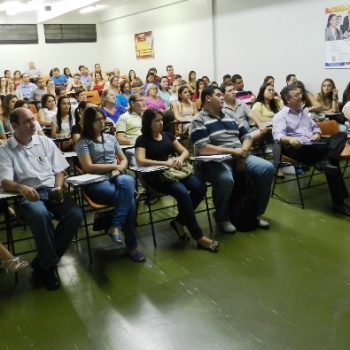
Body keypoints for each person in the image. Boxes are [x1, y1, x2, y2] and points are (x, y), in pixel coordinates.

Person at [0, 107, 82, 290]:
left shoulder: (44, 141)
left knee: (75, 215)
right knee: (40, 215)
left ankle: (42, 263)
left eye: (33, 119)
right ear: (15, 126)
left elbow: (60, 170)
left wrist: (58, 187)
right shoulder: (5, 150)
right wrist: (21, 187)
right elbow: (5, 181)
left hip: (52, 190)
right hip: (27, 196)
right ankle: (48, 267)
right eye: (27, 121)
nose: (33, 124)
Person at [190, 87, 274, 233]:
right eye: (218, 95)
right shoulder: (199, 120)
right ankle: (223, 218)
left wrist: (242, 153)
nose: (222, 98)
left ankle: (256, 213)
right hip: (214, 162)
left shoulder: (229, 114)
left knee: (267, 168)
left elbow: (246, 136)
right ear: (208, 98)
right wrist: (234, 152)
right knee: (225, 179)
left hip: (240, 154)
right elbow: (202, 148)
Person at [135, 108, 218, 252]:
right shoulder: (142, 140)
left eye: (162, 120)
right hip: (157, 176)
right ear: (148, 123)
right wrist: (165, 163)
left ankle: (179, 221)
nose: (161, 123)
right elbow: (140, 160)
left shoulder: (167, 135)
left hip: (175, 171)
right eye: (157, 121)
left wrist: (179, 159)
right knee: (182, 193)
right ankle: (198, 236)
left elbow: (185, 151)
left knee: (200, 187)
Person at [75, 106, 145, 262]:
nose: (101, 122)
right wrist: (115, 166)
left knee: (127, 179)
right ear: (88, 122)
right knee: (131, 200)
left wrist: (120, 167)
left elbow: (124, 158)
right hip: (96, 181)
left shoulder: (110, 138)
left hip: (116, 177)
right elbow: (88, 167)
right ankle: (131, 246)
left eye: (102, 118)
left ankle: (115, 226)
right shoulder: (83, 142)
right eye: (97, 120)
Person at [273, 84, 350, 216]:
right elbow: (277, 135)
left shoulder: (303, 113)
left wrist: (317, 133)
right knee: (333, 161)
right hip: (299, 148)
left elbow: (316, 127)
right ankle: (339, 203)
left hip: (315, 144)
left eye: (300, 94)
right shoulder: (281, 116)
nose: (300, 96)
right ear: (288, 99)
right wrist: (290, 139)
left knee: (341, 135)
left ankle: (324, 162)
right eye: (296, 95)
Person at [116, 94, 144, 166]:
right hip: (134, 148)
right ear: (132, 103)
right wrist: (135, 142)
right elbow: (119, 138)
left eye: (143, 100)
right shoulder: (124, 117)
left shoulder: (145, 116)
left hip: (148, 145)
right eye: (140, 100)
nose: (144, 103)